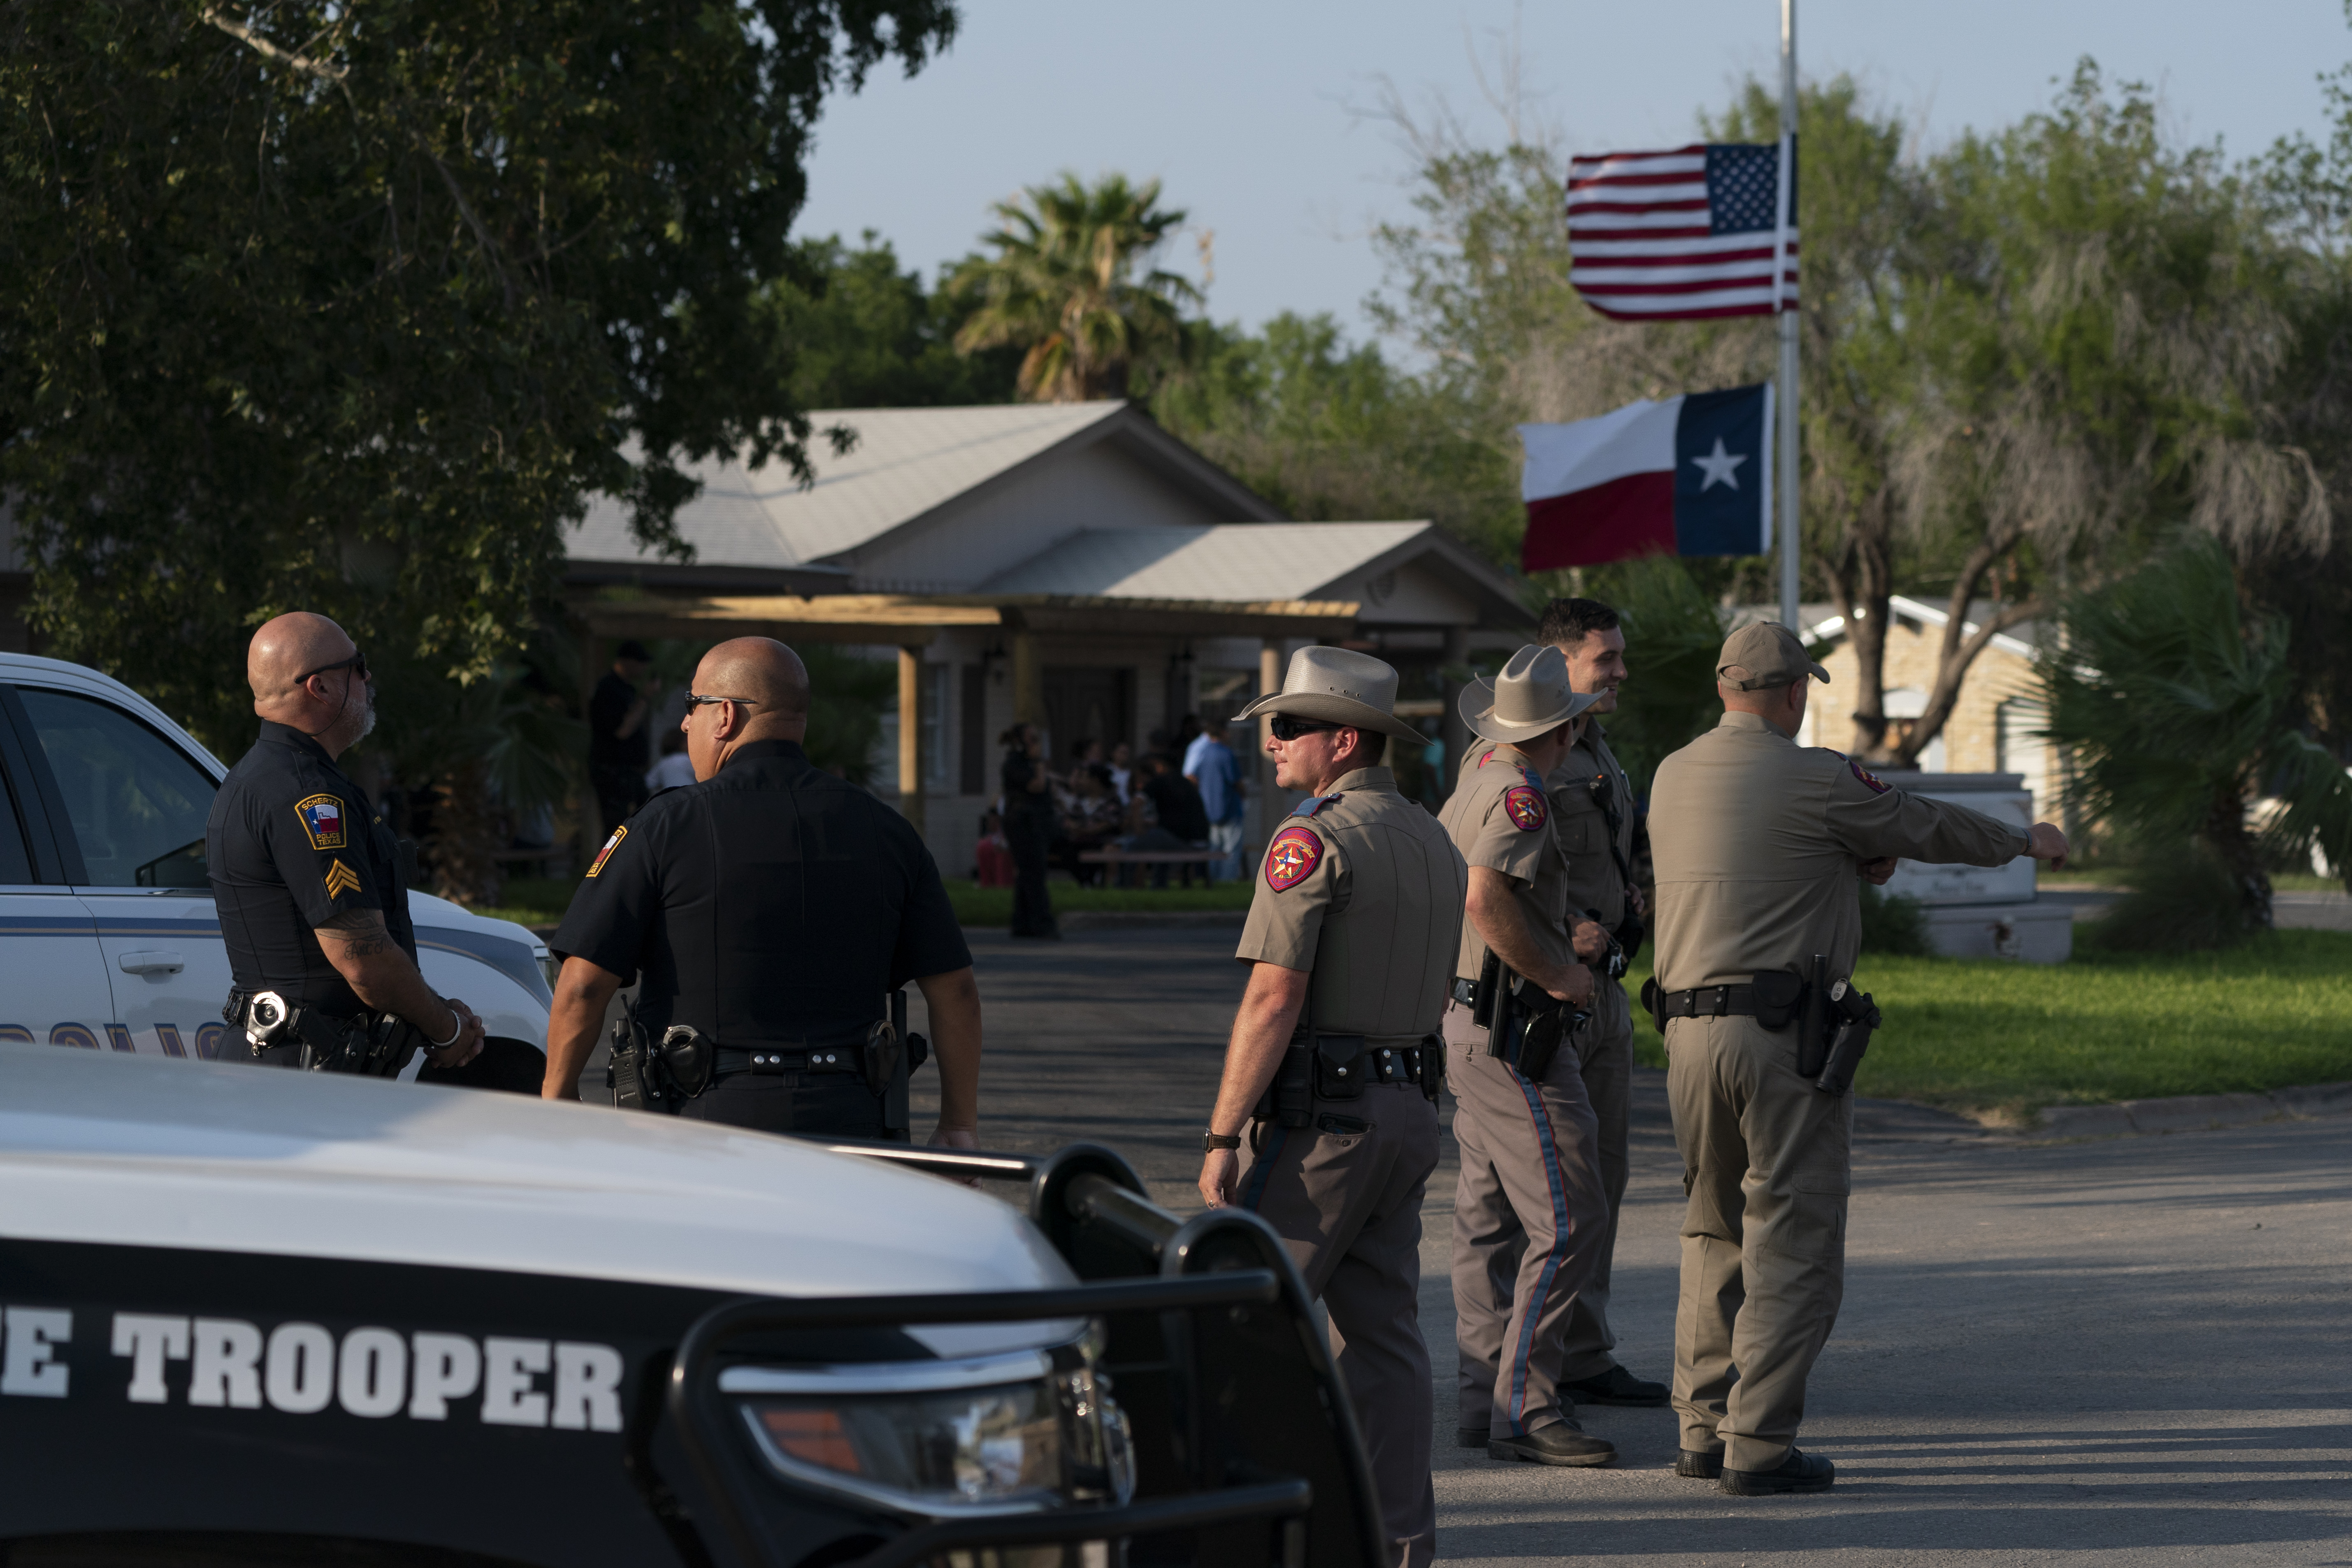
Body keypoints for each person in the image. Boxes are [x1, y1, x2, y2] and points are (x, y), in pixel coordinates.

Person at [1649, 621, 2070, 1495]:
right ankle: (1758, 1447)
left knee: (1709, 1227)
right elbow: (1918, 823)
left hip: (1683, 1039)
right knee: (1794, 1236)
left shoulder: (1670, 772)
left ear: (1722, 687)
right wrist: (2022, 841)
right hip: (1777, 1040)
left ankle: (1698, 1428)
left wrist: (1844, 858)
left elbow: (1757, 865)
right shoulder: (1815, 776)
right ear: (1794, 693)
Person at [1196, 646, 1465, 1568]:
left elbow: (1272, 997)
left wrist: (1222, 1133)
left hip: (1326, 1125)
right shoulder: (1433, 837)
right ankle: (1396, 1543)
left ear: (1341, 739)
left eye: (1286, 725)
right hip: (1405, 1109)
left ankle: (1224, 1536)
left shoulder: (1311, 839)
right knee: (1385, 1336)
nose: (1268, 743)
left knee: (1236, 1320)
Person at [541, 637, 983, 1147]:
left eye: (692, 706)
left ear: (724, 715)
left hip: (704, 1127)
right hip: (856, 1126)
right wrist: (957, 1125)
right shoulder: (886, 829)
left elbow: (583, 985)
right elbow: (957, 990)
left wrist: (557, 1100)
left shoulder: (663, 826)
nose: (686, 723)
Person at [1436, 646, 1617, 1468]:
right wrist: (1561, 973)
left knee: (1486, 1218)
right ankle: (1527, 1405)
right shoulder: (1521, 796)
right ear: (1565, 729)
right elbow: (1482, 898)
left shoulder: (1473, 778)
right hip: (1515, 1029)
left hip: (1465, 1020)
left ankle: (1485, 1399)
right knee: (1571, 1215)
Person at [207, 612, 488, 1080]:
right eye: (358, 666)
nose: (368, 677)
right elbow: (362, 956)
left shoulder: (254, 778)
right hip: (309, 1076)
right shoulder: (311, 796)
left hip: (279, 1065)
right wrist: (447, 1028)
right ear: (320, 687)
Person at [1534, 598, 1671, 1410]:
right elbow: (1485, 877)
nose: (1620, 670)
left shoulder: (1596, 749)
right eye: (1604, 658)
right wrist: (1566, 930)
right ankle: (1520, 1367)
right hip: (1543, 996)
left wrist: (1631, 898)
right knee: (1544, 1191)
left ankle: (1582, 1351)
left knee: (1603, 1182)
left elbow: (1606, 853)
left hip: (1607, 994)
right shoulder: (1519, 754)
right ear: (1557, 665)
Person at [589, 640, 661, 834]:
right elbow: (622, 730)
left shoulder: (626, 689)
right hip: (614, 772)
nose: (644, 668)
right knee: (616, 828)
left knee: (645, 817)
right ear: (627, 662)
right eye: (641, 662)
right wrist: (645, 698)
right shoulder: (609, 689)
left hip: (629, 772)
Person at [1000, 722, 1059, 939]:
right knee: (1033, 872)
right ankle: (1041, 921)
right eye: (1032, 739)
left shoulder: (1028, 763)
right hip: (1023, 824)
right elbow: (1037, 786)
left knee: (1029, 872)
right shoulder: (1015, 764)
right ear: (1021, 741)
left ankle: (1023, 922)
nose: (1037, 745)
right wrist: (1037, 762)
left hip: (1038, 823)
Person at [1184, 718, 1246, 881]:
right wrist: (1244, 795)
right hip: (1230, 809)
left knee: (1214, 849)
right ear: (1223, 733)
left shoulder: (1204, 754)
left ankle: (1211, 881)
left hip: (1209, 810)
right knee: (1231, 851)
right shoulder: (1226, 754)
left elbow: (1193, 776)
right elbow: (1237, 782)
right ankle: (1227, 881)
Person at [643, 728, 696, 796]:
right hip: (690, 799)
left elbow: (649, 782)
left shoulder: (663, 762)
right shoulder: (686, 759)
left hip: (670, 801)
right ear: (681, 744)